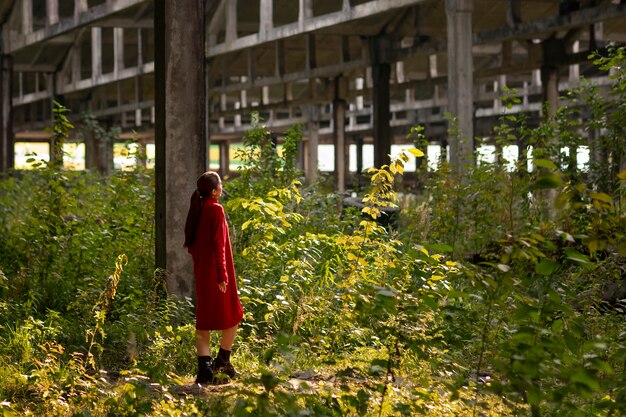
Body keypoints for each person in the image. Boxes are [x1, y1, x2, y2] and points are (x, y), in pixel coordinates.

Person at [184, 171, 244, 384]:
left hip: (202, 270)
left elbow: (192, 245)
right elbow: (219, 244)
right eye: (220, 184)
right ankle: (222, 361)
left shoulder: (198, 208)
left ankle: (204, 370)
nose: (222, 187)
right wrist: (222, 273)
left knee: (205, 318)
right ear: (214, 190)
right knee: (234, 312)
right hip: (216, 272)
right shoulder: (215, 209)